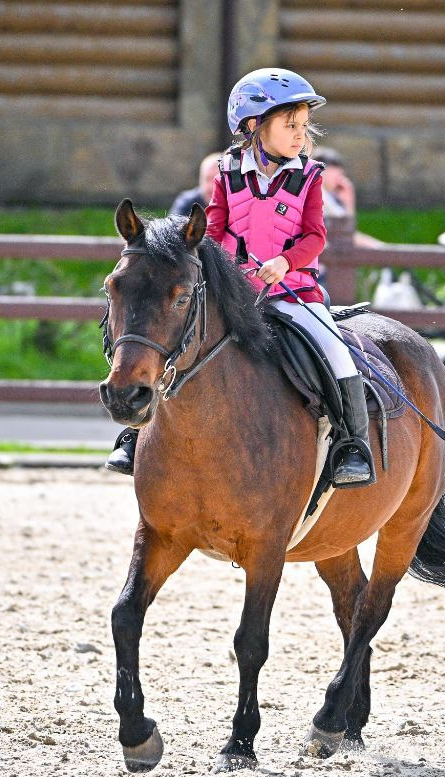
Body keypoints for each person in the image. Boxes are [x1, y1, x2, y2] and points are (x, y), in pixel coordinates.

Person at [107, 67, 375, 488]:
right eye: (290, 125)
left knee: (334, 350)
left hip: (294, 291)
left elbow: (315, 236)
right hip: (232, 293)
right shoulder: (227, 172)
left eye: (303, 126)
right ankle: (134, 434)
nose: (300, 135)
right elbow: (212, 233)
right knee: (175, 341)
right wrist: (228, 269)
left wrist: (285, 263)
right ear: (254, 125)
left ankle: (351, 446)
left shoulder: (310, 175)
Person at [168, 152, 222, 217]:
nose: (211, 186)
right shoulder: (187, 202)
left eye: (216, 180)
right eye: (207, 179)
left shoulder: (233, 203)